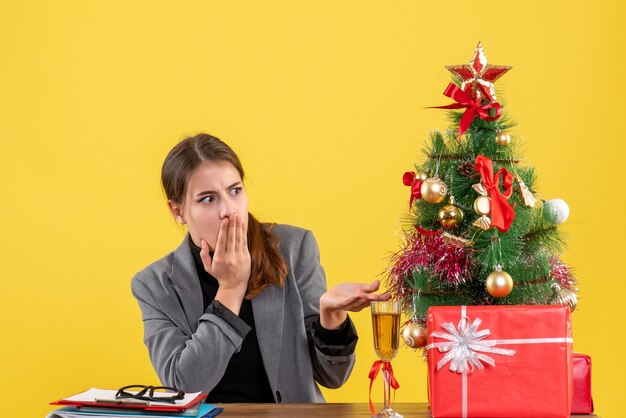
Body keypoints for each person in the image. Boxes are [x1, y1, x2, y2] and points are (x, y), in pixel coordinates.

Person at [131, 133, 389, 403]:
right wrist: (230, 289)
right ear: (178, 211)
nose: (229, 210)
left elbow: (332, 377)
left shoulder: (294, 248)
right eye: (208, 199)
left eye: (235, 190)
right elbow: (187, 386)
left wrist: (330, 318)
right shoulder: (153, 284)